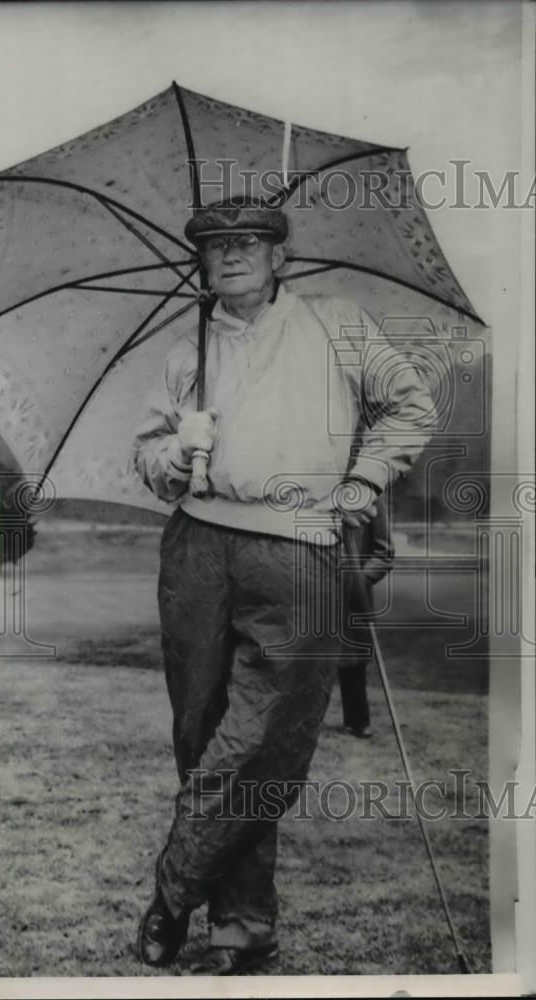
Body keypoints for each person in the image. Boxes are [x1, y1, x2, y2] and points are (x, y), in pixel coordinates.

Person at [132, 197, 436, 975]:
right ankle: (244, 929)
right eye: (215, 245)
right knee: (202, 734)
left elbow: (410, 405)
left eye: (250, 242)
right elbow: (146, 455)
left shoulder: (337, 323)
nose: (231, 254)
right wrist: (174, 451)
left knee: (261, 737)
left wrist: (364, 482)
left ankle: (174, 891)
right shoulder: (184, 348)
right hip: (197, 546)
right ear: (199, 261)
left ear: (280, 256)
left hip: (300, 542)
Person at [337, 496, 395, 739]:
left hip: (352, 596)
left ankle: (357, 720)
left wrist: (358, 580)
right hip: (312, 590)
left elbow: (385, 553)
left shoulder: (370, 496)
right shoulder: (313, 487)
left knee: (352, 662)